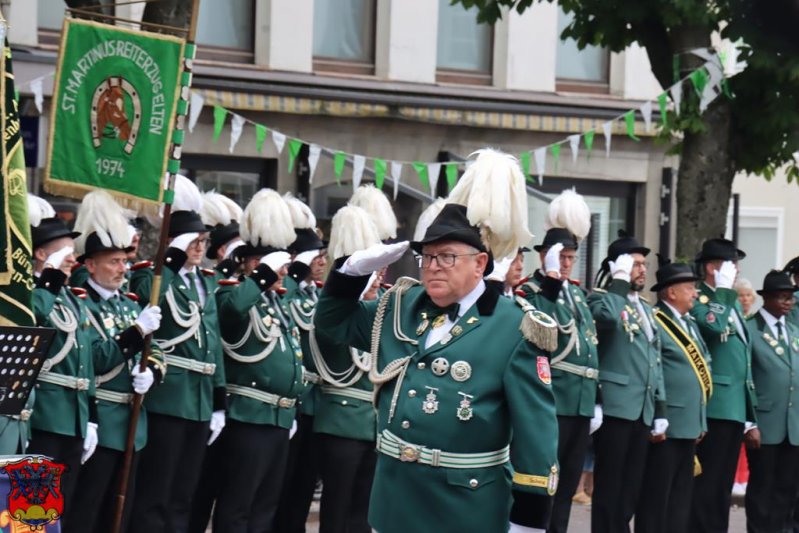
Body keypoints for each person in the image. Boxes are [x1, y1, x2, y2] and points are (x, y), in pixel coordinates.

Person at [314, 149, 560, 533]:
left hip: (466, 510)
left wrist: (528, 523)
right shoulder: (401, 306)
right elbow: (332, 325)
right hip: (394, 503)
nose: (433, 268)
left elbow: (536, 434)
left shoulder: (515, 328)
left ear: (480, 263)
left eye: (446, 257)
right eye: (427, 257)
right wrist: (348, 274)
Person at [128, 175, 227, 533]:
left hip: (199, 398)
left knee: (184, 493)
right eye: (192, 241)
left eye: (203, 241)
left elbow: (212, 341)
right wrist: (170, 260)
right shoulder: (154, 275)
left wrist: (219, 400)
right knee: (157, 490)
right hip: (169, 395)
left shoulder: (206, 281)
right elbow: (148, 296)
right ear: (173, 243)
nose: (199, 248)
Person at [64, 191, 164, 533]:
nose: (122, 269)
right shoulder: (83, 304)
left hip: (132, 427)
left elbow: (156, 350)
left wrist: (152, 371)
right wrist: (136, 332)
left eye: (124, 261)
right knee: (87, 512)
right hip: (103, 421)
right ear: (90, 265)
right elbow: (96, 358)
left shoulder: (129, 304)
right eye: (113, 262)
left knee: (118, 516)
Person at [208, 189, 307, 532]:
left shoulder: (275, 301)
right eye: (277, 266)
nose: (283, 272)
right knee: (239, 505)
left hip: (279, 416)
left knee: (265, 507)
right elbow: (232, 311)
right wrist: (262, 274)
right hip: (249, 415)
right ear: (252, 264)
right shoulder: (232, 292)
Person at [518, 188, 600, 533]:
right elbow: (539, 328)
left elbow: (590, 346)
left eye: (570, 257)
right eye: (560, 257)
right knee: (545, 483)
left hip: (580, 403)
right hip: (553, 400)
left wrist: (596, 399)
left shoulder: (578, 294)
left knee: (567, 487)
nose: (566, 264)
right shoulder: (532, 290)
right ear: (544, 257)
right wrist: (550, 282)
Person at [587, 230, 666, 533]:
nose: (642, 270)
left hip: (642, 409)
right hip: (616, 406)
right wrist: (618, 282)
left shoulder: (645, 307)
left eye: (644, 264)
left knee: (630, 488)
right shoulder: (601, 298)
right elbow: (607, 319)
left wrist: (660, 408)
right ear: (618, 268)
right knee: (610, 486)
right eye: (635, 264)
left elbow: (655, 360)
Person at [311, 204, 382, 533]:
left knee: (363, 515)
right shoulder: (336, 313)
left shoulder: (381, 311)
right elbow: (330, 338)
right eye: (373, 273)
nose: (379, 278)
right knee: (337, 512)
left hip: (373, 423)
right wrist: (350, 285)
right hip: (342, 420)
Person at [26, 194, 98, 519]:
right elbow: (32, 320)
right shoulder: (30, 291)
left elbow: (85, 360)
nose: (72, 258)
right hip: (44, 415)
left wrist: (91, 417)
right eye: (64, 251)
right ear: (41, 254)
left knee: (61, 511)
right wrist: (50, 280)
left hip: (74, 418)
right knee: (33, 511)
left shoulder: (70, 297)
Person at [689, 238, 757, 533]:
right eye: (731, 264)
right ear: (711, 268)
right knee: (707, 485)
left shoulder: (730, 302)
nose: (736, 270)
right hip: (714, 404)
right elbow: (712, 325)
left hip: (733, 406)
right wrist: (724, 292)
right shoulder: (700, 298)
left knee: (721, 488)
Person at [636, 261, 710, 533]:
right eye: (689, 288)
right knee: (657, 497)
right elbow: (655, 371)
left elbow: (704, 366)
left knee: (681, 497)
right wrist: (660, 414)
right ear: (671, 292)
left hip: (689, 423)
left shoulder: (688, 323)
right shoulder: (657, 320)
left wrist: (701, 419)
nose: (695, 293)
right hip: (667, 423)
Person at [275, 193, 328, 533]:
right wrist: (294, 274)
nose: (321, 261)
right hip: (293, 399)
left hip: (314, 401)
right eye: (314, 255)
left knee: (303, 486)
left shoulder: (316, 293)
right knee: (281, 486)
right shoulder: (289, 289)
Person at [744, 270, 799, 532]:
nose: (788, 302)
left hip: (793, 425)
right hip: (764, 423)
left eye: (791, 297)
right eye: (782, 297)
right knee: (762, 489)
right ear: (766, 298)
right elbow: (744, 378)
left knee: (787, 490)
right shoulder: (750, 329)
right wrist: (749, 423)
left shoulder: (793, 331)